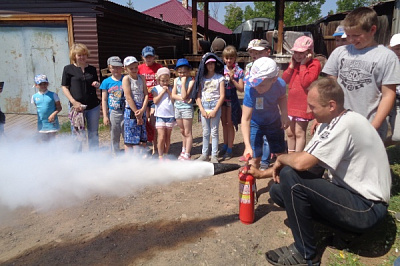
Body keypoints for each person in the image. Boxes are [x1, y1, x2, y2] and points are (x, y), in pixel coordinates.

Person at [244, 78, 391, 266]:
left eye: (312, 107)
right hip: (353, 198)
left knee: (291, 176)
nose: (308, 112)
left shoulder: (346, 124)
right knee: (278, 191)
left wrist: (281, 158)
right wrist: (261, 174)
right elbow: (312, 164)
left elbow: (302, 163)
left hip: (368, 208)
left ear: (331, 105)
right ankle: (345, 229)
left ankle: (306, 254)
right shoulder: (331, 123)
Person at [322, 7, 400, 140]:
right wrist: (323, 115)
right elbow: (330, 87)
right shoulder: (340, 52)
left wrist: (374, 125)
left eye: (356, 35)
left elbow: (388, 95)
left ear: (372, 30)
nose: (351, 40)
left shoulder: (387, 57)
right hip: (337, 122)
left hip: (368, 124)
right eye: (348, 35)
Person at [241, 57, 289, 169]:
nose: (257, 87)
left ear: (273, 79)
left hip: (274, 121)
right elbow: (245, 119)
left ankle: (284, 180)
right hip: (255, 123)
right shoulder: (250, 88)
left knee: (281, 154)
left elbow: (282, 97)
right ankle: (251, 184)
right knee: (254, 157)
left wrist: (284, 114)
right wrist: (247, 146)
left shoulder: (280, 84)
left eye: (261, 85)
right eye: (255, 83)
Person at [282, 36, 321, 153]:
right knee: (289, 132)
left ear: (309, 52)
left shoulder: (315, 64)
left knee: (299, 132)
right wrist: (292, 66)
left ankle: (297, 158)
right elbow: (284, 80)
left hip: (303, 103)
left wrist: (303, 64)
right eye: (296, 52)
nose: (298, 55)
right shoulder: (295, 63)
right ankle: (290, 156)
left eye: (301, 53)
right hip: (291, 103)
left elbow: (306, 82)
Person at [61, 43, 101, 151]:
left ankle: (94, 157)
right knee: (77, 134)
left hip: (93, 106)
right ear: (74, 56)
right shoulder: (68, 69)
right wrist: (73, 102)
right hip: (77, 107)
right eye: (79, 55)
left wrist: (97, 85)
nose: (82, 57)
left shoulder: (92, 69)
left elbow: (97, 83)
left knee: (93, 133)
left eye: (84, 54)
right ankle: (77, 159)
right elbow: (64, 87)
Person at [243, 39, 273, 169]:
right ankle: (254, 156)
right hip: (252, 102)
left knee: (267, 136)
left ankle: (265, 161)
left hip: (267, 106)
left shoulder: (271, 68)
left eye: (258, 52)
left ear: (268, 52)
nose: (255, 55)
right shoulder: (249, 67)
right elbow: (246, 85)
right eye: (252, 52)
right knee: (255, 132)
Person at [195, 53, 225, 163]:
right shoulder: (201, 78)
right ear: (205, 65)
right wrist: (201, 109)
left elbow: (222, 96)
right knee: (206, 131)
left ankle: (214, 155)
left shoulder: (220, 78)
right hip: (204, 105)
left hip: (215, 105)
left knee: (214, 131)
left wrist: (215, 110)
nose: (211, 65)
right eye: (208, 64)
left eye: (213, 63)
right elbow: (197, 95)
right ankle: (204, 154)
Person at [219, 45, 244, 160]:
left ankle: (230, 148)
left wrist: (233, 79)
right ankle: (224, 144)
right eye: (226, 58)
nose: (229, 60)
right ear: (223, 58)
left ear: (235, 58)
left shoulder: (239, 71)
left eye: (231, 58)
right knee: (223, 123)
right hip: (222, 99)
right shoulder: (221, 69)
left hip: (232, 99)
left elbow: (241, 88)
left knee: (230, 123)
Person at [138, 46, 163, 154]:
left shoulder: (159, 67)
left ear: (154, 57)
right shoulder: (139, 68)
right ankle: (143, 146)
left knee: (153, 122)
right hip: (143, 98)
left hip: (155, 98)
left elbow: (164, 80)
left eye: (151, 57)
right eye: (146, 57)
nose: (149, 59)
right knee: (143, 122)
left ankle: (155, 147)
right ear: (143, 57)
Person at [122, 56, 148, 154]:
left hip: (142, 107)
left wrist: (142, 109)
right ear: (126, 69)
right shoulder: (126, 79)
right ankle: (130, 159)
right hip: (131, 109)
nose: (134, 70)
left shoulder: (142, 78)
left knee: (142, 134)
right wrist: (137, 112)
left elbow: (146, 94)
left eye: (135, 67)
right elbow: (128, 97)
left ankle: (142, 156)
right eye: (131, 68)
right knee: (131, 136)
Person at [100, 56, 125, 155]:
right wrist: (105, 116)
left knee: (126, 133)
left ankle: (129, 154)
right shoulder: (106, 82)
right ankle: (116, 154)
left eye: (118, 67)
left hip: (125, 111)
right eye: (113, 67)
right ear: (109, 68)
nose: (116, 69)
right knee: (114, 134)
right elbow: (104, 99)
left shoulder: (126, 79)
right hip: (113, 112)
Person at [171, 58, 195, 160]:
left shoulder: (191, 81)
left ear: (188, 71)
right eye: (180, 72)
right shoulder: (176, 80)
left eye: (184, 72)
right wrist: (182, 98)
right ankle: (183, 149)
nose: (182, 74)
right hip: (178, 107)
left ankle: (188, 153)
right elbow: (173, 95)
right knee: (182, 130)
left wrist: (184, 82)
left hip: (186, 108)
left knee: (188, 132)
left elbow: (185, 95)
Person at [152, 67, 175, 159]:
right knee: (161, 137)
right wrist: (162, 92)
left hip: (170, 115)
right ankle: (160, 155)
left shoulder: (172, 88)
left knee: (167, 137)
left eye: (167, 80)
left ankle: (166, 153)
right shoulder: (156, 89)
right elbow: (155, 101)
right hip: (160, 115)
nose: (165, 83)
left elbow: (173, 100)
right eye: (162, 81)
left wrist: (169, 91)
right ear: (158, 80)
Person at [31, 74, 62, 141]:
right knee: (44, 140)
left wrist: (53, 114)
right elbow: (38, 108)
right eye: (40, 84)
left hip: (52, 121)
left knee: (52, 140)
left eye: (44, 84)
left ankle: (53, 151)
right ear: (36, 85)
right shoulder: (34, 97)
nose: (43, 86)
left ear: (47, 84)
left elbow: (59, 108)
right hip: (42, 122)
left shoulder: (53, 95)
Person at [386, 33, 400, 146]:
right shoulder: (385, 61)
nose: (399, 51)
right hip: (383, 100)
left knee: (397, 136)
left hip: (398, 102)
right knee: (375, 131)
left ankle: (383, 145)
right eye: (397, 48)